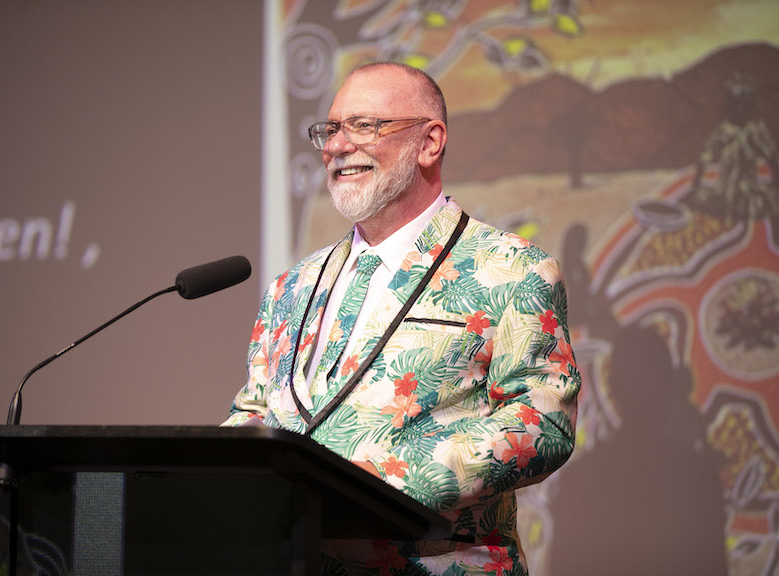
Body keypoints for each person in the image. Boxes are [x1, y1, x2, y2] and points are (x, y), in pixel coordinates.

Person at [223, 61, 581, 575]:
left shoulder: (512, 270)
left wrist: (385, 483)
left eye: (364, 126)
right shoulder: (292, 286)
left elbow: (541, 419)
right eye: (330, 130)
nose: (336, 146)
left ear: (430, 143)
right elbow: (257, 411)